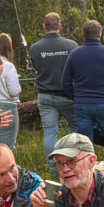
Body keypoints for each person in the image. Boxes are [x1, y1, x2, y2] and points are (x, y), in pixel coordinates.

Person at [60, 21, 104, 161]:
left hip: (82, 105)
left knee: (85, 145)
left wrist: (76, 97)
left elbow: (65, 82)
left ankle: (87, 175)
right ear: (100, 34)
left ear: (83, 34)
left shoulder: (75, 54)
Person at [29, 13, 79, 158]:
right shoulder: (72, 45)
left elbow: (34, 67)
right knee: (75, 130)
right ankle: (74, 162)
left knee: (50, 132)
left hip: (45, 96)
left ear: (44, 27)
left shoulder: (35, 48)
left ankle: (53, 168)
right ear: (60, 26)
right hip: (68, 95)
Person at [0, 33, 23, 149]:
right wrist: (19, 88)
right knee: (6, 147)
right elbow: (13, 91)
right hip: (7, 109)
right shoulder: (8, 66)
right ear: (9, 47)